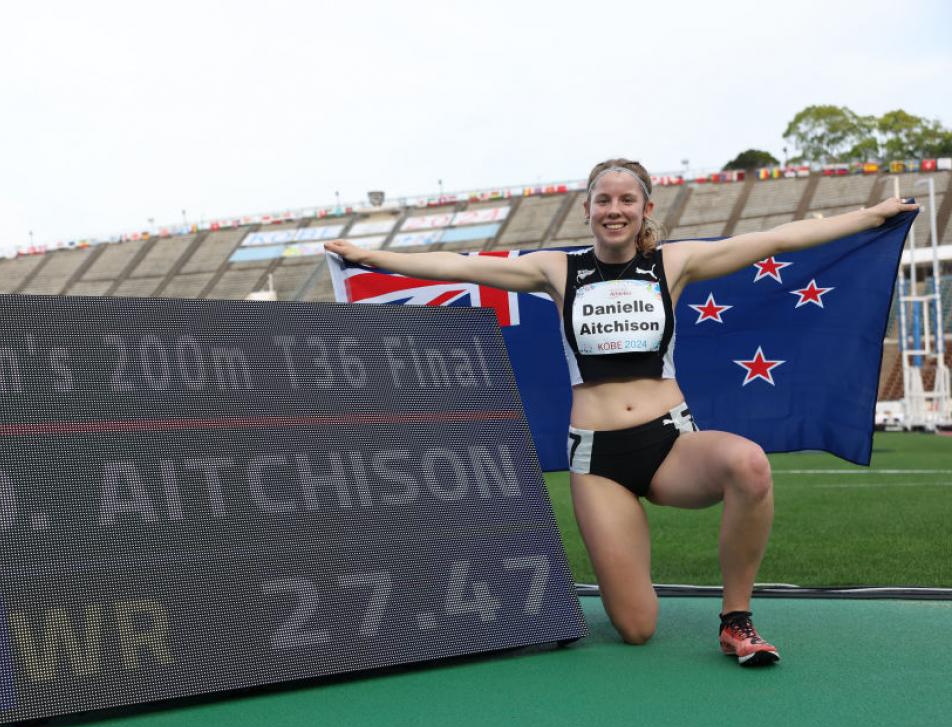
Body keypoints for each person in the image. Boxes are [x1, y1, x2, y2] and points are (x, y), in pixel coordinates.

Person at [325, 158, 918, 666]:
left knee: (749, 464)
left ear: (644, 207)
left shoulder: (675, 264)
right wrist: (365, 255)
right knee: (636, 630)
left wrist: (871, 217)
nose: (615, 208)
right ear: (587, 209)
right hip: (599, 457)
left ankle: (736, 617)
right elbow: (456, 267)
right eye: (603, 199)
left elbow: (777, 241)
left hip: (670, 444)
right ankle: (637, 583)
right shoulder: (556, 270)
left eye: (626, 199)